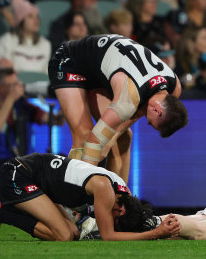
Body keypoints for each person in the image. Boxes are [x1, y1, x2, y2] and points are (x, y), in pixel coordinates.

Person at [48, 34, 188, 182]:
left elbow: (130, 116)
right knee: (84, 138)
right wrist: (90, 185)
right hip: (70, 61)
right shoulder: (128, 100)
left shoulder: (174, 88)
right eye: (152, 123)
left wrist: (112, 136)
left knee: (123, 137)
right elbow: (94, 143)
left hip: (101, 70)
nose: (147, 122)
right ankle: (75, 199)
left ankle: (120, 198)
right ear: (157, 110)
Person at [0, 153, 181, 241]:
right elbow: (109, 236)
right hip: (17, 175)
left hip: (36, 181)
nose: (109, 222)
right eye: (116, 222)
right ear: (120, 210)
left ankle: (10, 209)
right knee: (63, 236)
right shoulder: (104, 189)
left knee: (72, 233)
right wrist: (155, 234)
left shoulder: (119, 191)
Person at [0, 67, 49, 188]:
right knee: (12, 173)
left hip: (26, 162)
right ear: (1, 88)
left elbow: (52, 120)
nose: (18, 88)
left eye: (18, 84)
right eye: (13, 85)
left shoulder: (23, 106)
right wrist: (11, 98)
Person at [0, 0, 51, 73]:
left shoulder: (45, 44)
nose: (36, 20)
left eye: (37, 17)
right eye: (30, 16)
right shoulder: (7, 40)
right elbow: (2, 71)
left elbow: (46, 73)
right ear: (20, 20)